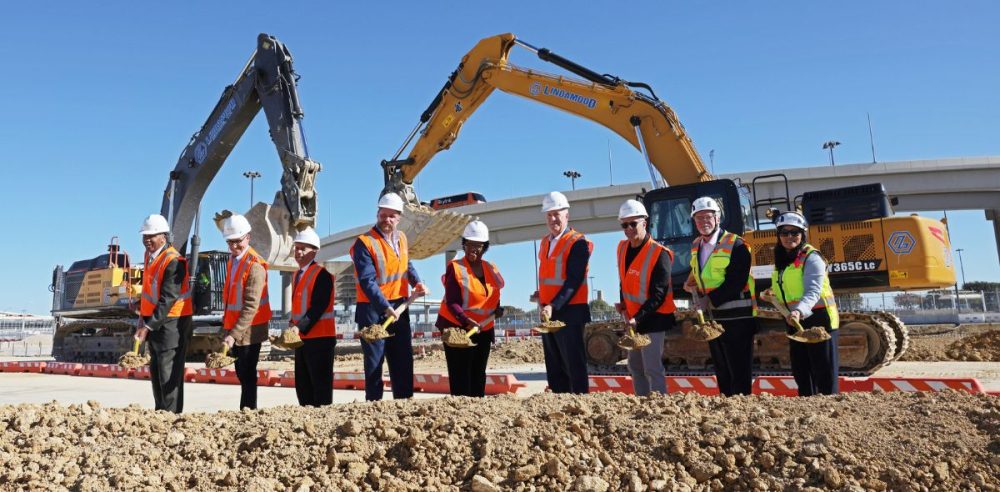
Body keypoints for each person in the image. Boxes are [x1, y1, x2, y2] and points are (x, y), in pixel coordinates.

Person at [350, 192, 428, 401]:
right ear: (377, 214)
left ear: (399, 217)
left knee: (402, 358)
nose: (387, 220)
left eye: (392, 216)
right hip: (372, 310)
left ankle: (404, 403)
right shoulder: (364, 243)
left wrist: (416, 281)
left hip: (399, 306)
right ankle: (374, 406)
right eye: (383, 215)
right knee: (375, 362)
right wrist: (384, 307)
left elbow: (406, 264)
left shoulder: (401, 238)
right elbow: (367, 281)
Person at [684, 196, 758, 396]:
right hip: (713, 317)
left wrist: (710, 298)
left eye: (707, 217)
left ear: (718, 218)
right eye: (698, 218)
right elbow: (703, 272)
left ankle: (741, 412)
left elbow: (737, 280)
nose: (703, 222)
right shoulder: (696, 246)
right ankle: (727, 410)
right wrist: (693, 283)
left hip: (737, 317)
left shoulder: (737, 245)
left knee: (739, 370)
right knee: (723, 370)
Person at [771, 211, 840, 396]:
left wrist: (799, 311)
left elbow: (813, 290)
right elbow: (786, 290)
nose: (789, 237)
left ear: (803, 234)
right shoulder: (782, 260)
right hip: (795, 321)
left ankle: (829, 412)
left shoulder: (812, 257)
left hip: (819, 320)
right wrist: (772, 297)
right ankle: (807, 411)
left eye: (794, 232)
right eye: (784, 233)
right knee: (802, 372)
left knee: (823, 372)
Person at [436, 220, 505, 397]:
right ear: (464, 244)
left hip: (483, 328)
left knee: (478, 375)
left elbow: (492, 293)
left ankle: (475, 414)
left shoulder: (491, 268)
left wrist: (496, 309)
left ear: (485, 247)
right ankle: (460, 415)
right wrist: (466, 321)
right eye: (469, 244)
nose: (473, 249)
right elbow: (452, 301)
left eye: (478, 246)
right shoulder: (456, 268)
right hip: (458, 329)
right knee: (461, 377)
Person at [614, 200, 675, 396]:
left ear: (645, 223)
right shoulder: (622, 248)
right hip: (634, 320)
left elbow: (659, 293)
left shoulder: (659, 253)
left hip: (654, 319)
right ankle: (642, 405)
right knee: (635, 367)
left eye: (633, 224)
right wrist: (623, 303)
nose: (629, 229)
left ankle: (658, 409)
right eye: (625, 225)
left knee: (652, 368)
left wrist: (637, 318)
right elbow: (623, 279)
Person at [534, 191, 592, 394]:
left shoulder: (578, 242)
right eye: (549, 215)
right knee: (555, 367)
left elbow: (573, 280)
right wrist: (541, 297)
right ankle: (560, 407)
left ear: (566, 215)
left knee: (573, 366)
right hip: (549, 313)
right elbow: (550, 276)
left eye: (557, 214)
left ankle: (579, 406)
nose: (553, 219)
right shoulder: (544, 242)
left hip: (571, 312)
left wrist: (552, 304)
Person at [135, 214, 193, 413]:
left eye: (151, 235)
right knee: (157, 370)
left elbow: (168, 298)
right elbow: (151, 290)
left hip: (172, 323)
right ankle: (160, 412)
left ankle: (171, 416)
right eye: (145, 236)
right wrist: (141, 312)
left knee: (169, 373)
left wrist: (148, 326)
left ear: (164, 236)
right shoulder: (151, 256)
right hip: (157, 321)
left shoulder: (174, 261)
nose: (147, 240)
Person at [217, 213, 271, 409]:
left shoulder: (254, 265)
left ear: (247, 237)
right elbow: (231, 300)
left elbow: (250, 306)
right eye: (230, 242)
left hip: (250, 331)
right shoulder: (234, 261)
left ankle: (248, 412)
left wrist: (233, 334)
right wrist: (227, 327)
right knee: (241, 372)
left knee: (247, 374)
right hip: (235, 328)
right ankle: (246, 411)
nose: (233, 246)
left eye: (237, 241)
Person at [288, 227, 336, 406]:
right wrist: (292, 327)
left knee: (320, 390)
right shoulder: (296, 275)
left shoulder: (322, 275)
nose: (298, 252)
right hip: (302, 340)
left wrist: (298, 327)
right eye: (297, 247)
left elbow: (319, 307)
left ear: (315, 251)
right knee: (303, 389)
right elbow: (299, 307)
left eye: (303, 248)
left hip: (321, 339)